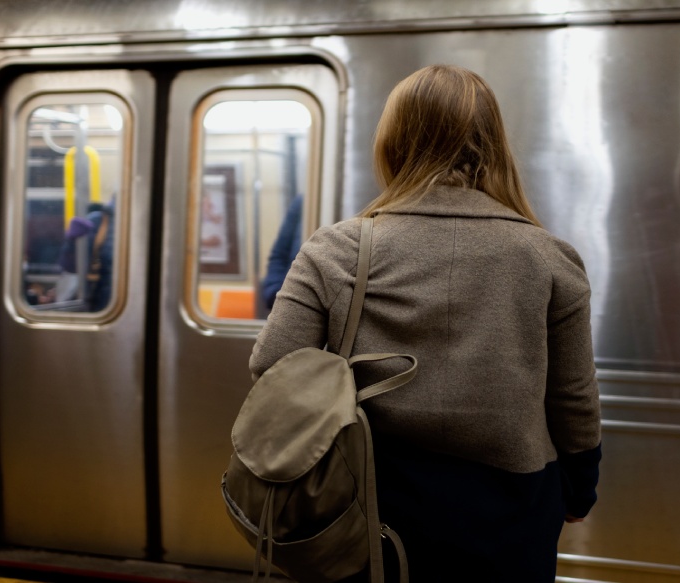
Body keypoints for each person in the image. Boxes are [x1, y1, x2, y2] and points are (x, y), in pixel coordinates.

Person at [247, 64, 601, 582]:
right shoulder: (547, 256)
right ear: (493, 144)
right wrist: (580, 490)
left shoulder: (338, 249)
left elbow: (273, 366)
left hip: (367, 502)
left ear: (392, 142)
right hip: (513, 511)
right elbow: (573, 399)